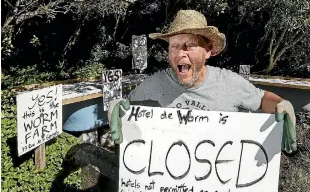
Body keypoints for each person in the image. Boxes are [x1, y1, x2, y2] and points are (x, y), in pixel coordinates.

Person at [108, 9, 297, 153]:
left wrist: (281, 104)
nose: (180, 53)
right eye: (174, 46)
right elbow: (126, 105)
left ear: (208, 51)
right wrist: (117, 105)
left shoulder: (229, 83)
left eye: (190, 45)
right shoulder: (154, 84)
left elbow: (262, 99)